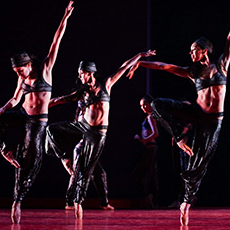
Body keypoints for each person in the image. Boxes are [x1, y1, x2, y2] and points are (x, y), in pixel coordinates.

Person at [127, 1, 230, 225]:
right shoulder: (192, 73)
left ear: (204, 50)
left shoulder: (221, 66)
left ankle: (186, 201)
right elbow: (164, 66)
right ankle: (178, 137)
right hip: (195, 113)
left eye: (193, 50)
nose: (190, 53)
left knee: (198, 163)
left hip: (212, 122)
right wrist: (141, 63)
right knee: (156, 105)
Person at [0, 1, 74, 223]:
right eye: (16, 72)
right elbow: (15, 99)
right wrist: (0, 111)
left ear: (28, 64)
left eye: (20, 70)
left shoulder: (45, 70)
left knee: (30, 159)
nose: (19, 75)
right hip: (21, 116)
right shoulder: (20, 79)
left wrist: (65, 17)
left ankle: (17, 200)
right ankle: (4, 148)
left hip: (37, 123)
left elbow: (56, 41)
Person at [45, 50, 156, 219]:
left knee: (87, 169)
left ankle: (77, 201)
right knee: (51, 130)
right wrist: (40, 106)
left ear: (90, 73)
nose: (80, 77)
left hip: (97, 134)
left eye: (83, 74)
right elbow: (59, 100)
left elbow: (124, 67)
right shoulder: (82, 92)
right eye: (79, 74)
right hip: (83, 127)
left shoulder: (107, 84)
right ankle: (64, 158)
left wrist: (140, 56)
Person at [46, 90, 114, 211]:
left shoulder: (87, 113)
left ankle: (104, 203)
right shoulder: (82, 117)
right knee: (76, 173)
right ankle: (70, 202)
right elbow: (60, 100)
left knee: (99, 173)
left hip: (89, 149)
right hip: (81, 149)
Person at [133, 95, 159, 208]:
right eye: (141, 105)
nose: (143, 107)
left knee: (144, 173)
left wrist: (143, 140)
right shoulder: (149, 116)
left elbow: (156, 133)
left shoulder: (151, 117)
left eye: (145, 104)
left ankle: (148, 197)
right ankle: (150, 198)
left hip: (150, 148)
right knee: (150, 174)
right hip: (148, 148)